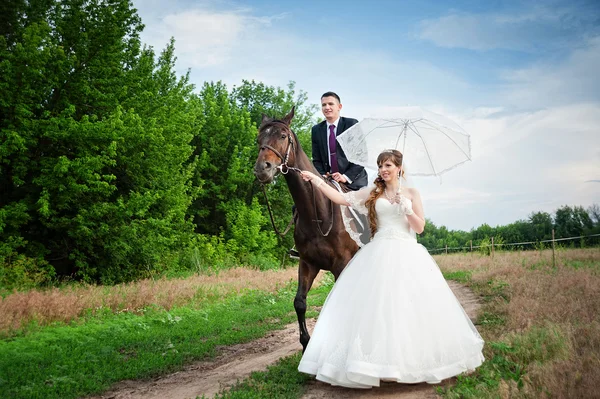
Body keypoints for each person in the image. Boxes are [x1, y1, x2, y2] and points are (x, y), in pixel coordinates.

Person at [297, 149, 484, 388]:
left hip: (408, 253)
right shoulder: (373, 193)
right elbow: (341, 199)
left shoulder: (412, 193)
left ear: (399, 168)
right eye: (380, 166)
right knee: (377, 309)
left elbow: (419, 229)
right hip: (379, 252)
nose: (383, 170)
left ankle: (411, 361)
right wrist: (315, 180)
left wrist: (406, 208)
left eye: (388, 165)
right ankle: (375, 363)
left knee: (409, 307)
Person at [289, 92, 368, 258]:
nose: (327, 108)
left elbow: (361, 158)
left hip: (352, 179)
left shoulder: (351, 125)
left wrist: (345, 176)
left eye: (331, 104)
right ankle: (301, 245)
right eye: (324, 105)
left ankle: (366, 243)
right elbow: (316, 160)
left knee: (362, 208)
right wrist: (321, 175)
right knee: (301, 204)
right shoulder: (316, 130)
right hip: (327, 179)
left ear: (339, 107)